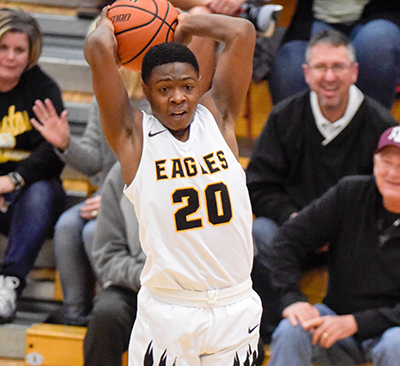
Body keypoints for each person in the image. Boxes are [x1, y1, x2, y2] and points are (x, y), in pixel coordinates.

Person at [84, 7, 263, 366]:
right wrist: (108, 22)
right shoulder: (134, 138)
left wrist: (186, 22)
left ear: (199, 85)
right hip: (170, 312)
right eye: (165, 89)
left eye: (187, 86)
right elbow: (98, 49)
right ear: (147, 94)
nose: (177, 97)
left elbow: (242, 31)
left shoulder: (219, 118)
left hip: (235, 305)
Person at [246, 28, 398, 343]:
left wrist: (343, 231)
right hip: (297, 232)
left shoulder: (382, 128)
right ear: (306, 73)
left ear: (355, 72)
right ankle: (276, 329)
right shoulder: (283, 117)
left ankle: (367, 337)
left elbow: (389, 200)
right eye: (320, 67)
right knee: (259, 232)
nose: (329, 76)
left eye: (338, 67)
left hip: (354, 245)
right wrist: (294, 219)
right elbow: (258, 186)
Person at [265, 124, 400, 366]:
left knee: (396, 343)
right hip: (335, 323)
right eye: (387, 162)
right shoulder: (351, 193)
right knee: (292, 329)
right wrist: (292, 298)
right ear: (374, 162)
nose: (393, 173)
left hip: (391, 330)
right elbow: (288, 239)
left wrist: (356, 322)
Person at [30, 68, 149, 326]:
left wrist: (112, 196)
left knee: (91, 232)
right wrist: (65, 143)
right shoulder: (104, 95)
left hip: (144, 194)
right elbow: (93, 160)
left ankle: (112, 310)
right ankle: (76, 315)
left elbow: (154, 156)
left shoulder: (155, 97)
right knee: (67, 225)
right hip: (108, 192)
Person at [0, 8, 66, 324]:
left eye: (19, 50)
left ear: (31, 53)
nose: (10, 57)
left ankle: (9, 283)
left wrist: (13, 179)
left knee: (41, 191)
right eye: (3, 47)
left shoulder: (43, 89)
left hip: (25, 194)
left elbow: (53, 153)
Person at [268, 0, 400, 109]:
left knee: (377, 45)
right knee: (289, 68)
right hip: (314, 18)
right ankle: (298, 138)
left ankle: (372, 134)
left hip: (381, 14)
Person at [84, 161, 145, 366]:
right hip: (138, 285)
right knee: (107, 313)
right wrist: (147, 276)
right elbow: (108, 255)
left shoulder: (206, 165)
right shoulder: (123, 171)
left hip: (196, 288)